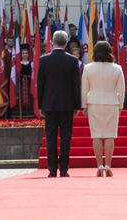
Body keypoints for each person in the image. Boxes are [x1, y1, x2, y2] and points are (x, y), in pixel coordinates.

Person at [37, 30, 81, 178]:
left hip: (49, 104)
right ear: (66, 42)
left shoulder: (43, 60)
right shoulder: (73, 61)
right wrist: (77, 105)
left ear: (52, 42)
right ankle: (63, 169)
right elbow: (76, 85)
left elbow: (40, 84)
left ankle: (51, 169)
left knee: (50, 136)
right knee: (66, 137)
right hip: (67, 104)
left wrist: (40, 105)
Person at [81, 41, 125, 177]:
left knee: (96, 135)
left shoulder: (88, 68)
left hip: (93, 103)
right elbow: (121, 89)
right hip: (112, 103)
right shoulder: (117, 68)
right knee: (110, 135)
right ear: (109, 52)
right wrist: (121, 105)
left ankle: (99, 165)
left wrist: (84, 105)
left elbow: (84, 89)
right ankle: (108, 165)